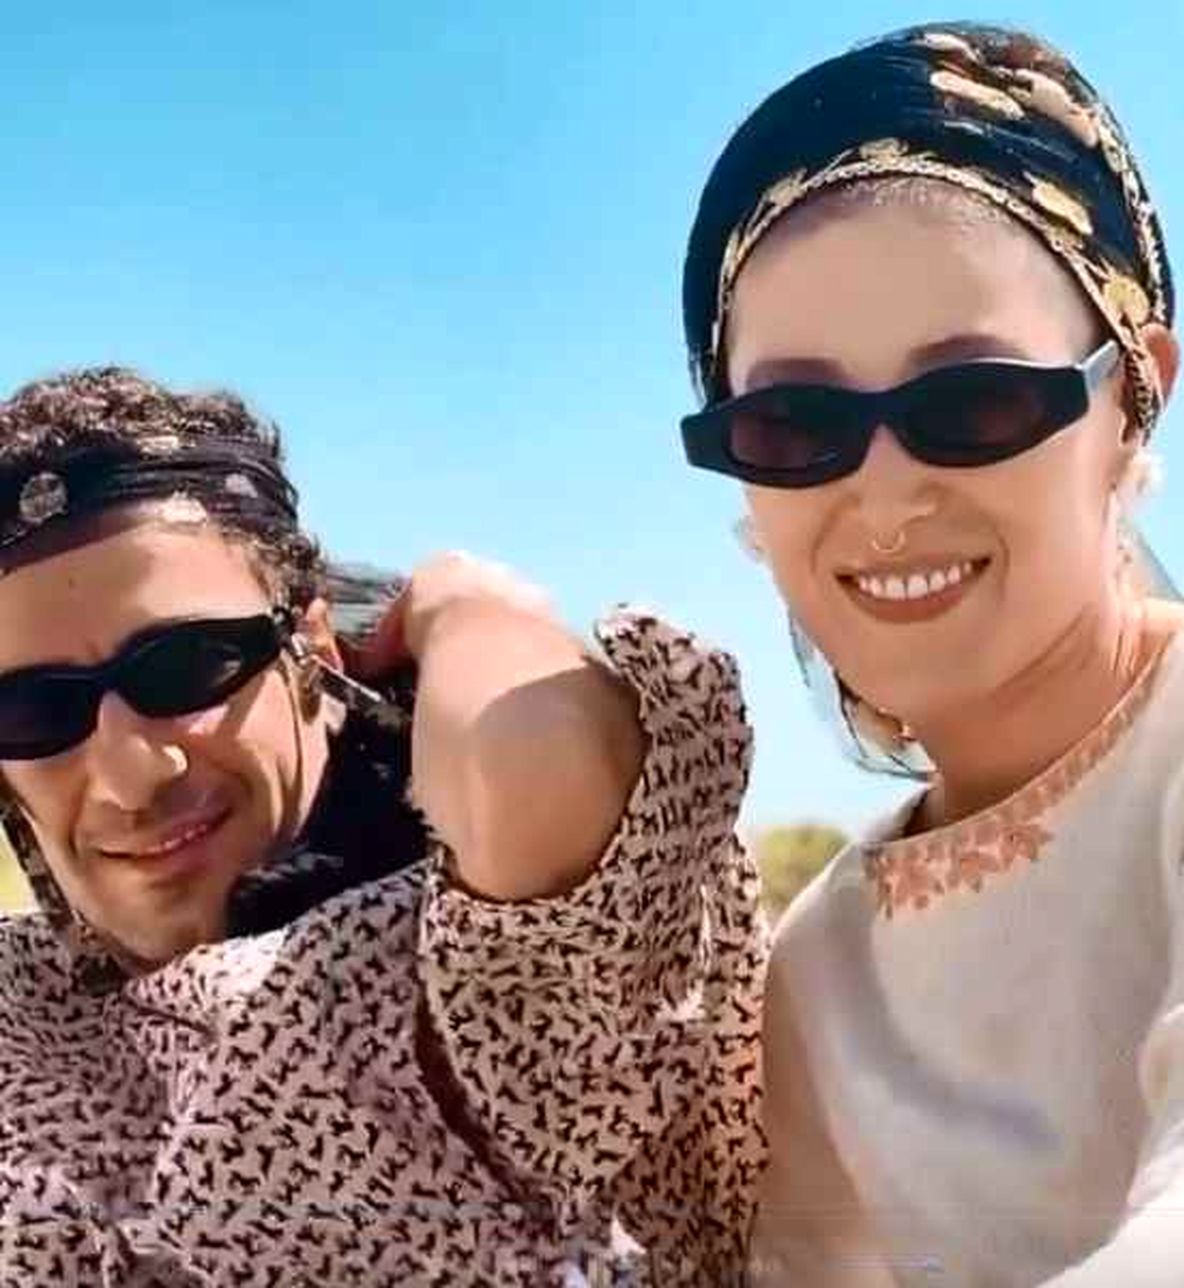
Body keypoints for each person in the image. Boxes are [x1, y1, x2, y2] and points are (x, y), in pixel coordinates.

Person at [0, 367, 765, 1285]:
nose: (131, 777)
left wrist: (459, 605)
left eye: (187, 666)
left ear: (313, 648)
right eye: (34, 710)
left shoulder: (468, 948)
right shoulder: (25, 1017)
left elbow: (538, 758)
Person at [676, 19, 1184, 1287]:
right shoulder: (816, 974)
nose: (885, 491)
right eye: (794, 424)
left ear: (1133, 396)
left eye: (974, 400)